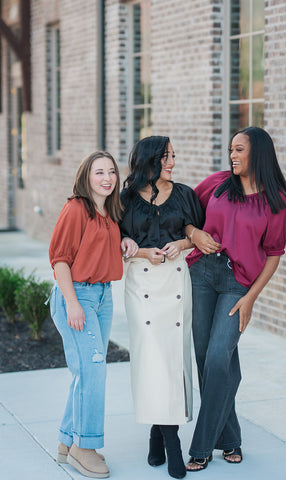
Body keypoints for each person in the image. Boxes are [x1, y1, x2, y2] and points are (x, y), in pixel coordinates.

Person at [184, 126, 286, 472]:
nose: (232, 155)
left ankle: (202, 446)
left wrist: (250, 299)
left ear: (258, 153)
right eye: (231, 150)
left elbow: (274, 254)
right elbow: (185, 212)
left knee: (220, 357)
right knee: (208, 359)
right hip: (201, 274)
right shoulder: (217, 183)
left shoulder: (275, 202)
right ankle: (231, 439)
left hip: (238, 283)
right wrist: (194, 233)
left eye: (239, 150)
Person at [119, 136, 204, 479]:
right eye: (166, 157)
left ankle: (158, 433)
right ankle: (172, 443)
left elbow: (197, 233)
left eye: (173, 156)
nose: (172, 162)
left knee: (172, 361)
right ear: (150, 160)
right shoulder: (124, 199)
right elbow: (114, 238)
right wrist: (139, 250)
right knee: (151, 359)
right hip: (141, 287)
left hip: (175, 281)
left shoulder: (184, 194)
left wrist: (179, 244)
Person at [49, 151, 137, 479]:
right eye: (99, 172)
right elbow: (60, 259)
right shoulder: (76, 209)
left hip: (103, 296)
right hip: (77, 295)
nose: (107, 178)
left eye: (111, 172)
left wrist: (124, 239)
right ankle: (84, 448)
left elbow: (102, 246)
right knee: (95, 370)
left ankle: (65, 441)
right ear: (86, 176)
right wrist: (72, 303)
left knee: (86, 372)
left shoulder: (110, 212)